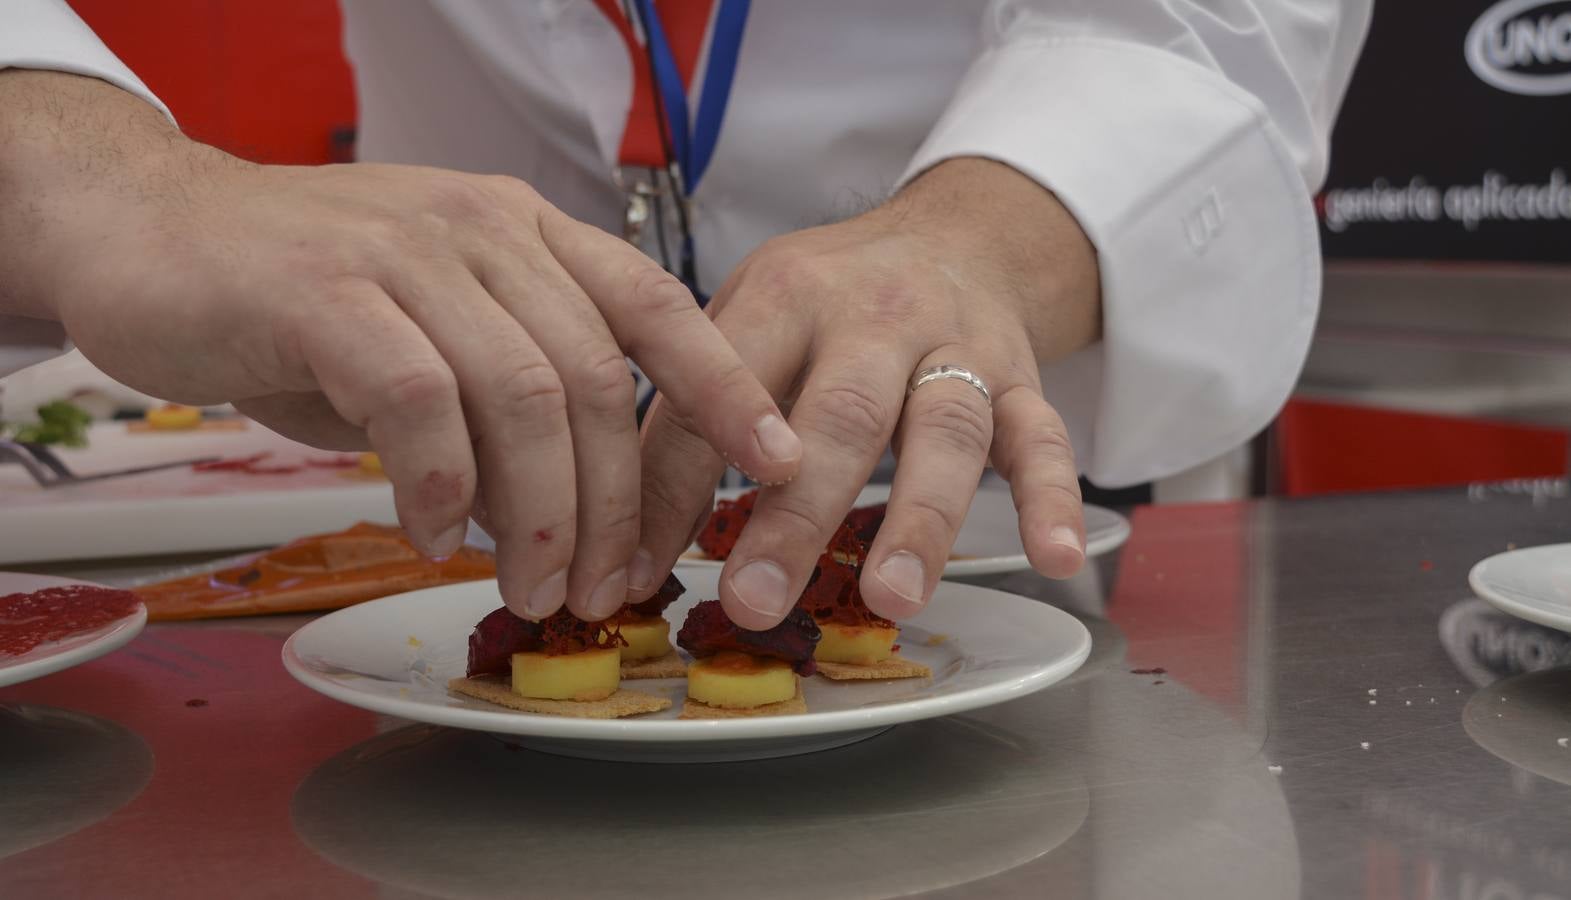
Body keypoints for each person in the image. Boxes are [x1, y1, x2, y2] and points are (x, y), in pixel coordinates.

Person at [0, 0, 1371, 631]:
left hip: (1001, 459)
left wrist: (983, 243)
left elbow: (1208, 26)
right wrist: (105, 186)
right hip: (454, 463)